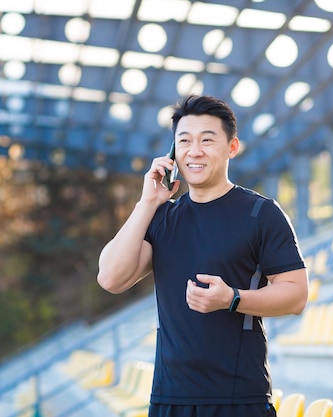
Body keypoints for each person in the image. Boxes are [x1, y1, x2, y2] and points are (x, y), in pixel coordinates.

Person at [97, 94, 308, 417]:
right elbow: (111, 278)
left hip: (238, 399)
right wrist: (147, 203)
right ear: (173, 152)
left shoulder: (260, 214)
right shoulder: (161, 217)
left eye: (207, 140)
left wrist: (233, 299)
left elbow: (296, 295)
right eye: (184, 141)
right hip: (169, 398)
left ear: (231, 148)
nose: (194, 151)